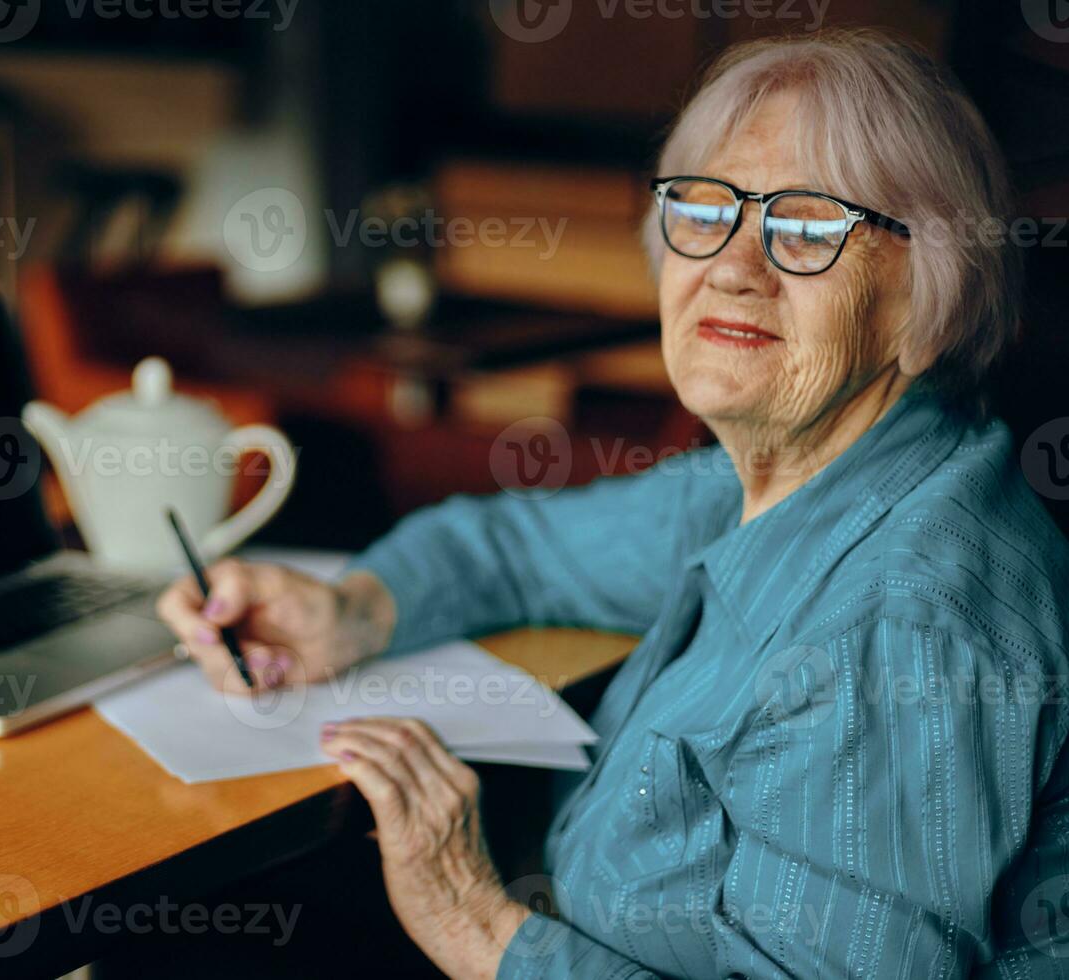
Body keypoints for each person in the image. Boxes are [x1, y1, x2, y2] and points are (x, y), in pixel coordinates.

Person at [158, 29, 1069, 979]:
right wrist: (350, 608)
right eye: (705, 207)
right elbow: (516, 545)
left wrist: (478, 929)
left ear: (929, 299)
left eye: (806, 228)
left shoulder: (902, 625)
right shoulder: (776, 471)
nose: (730, 266)